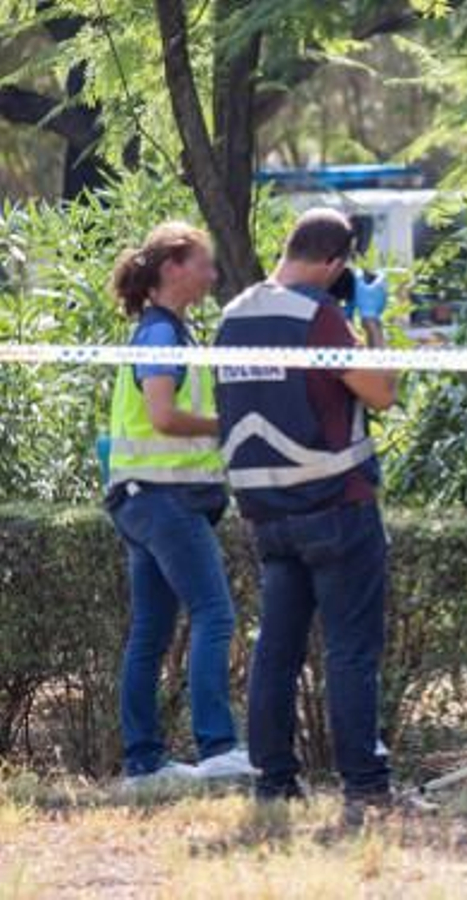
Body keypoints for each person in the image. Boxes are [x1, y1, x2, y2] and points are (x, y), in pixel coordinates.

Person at [213, 208, 402, 819]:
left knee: (277, 650)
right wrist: (370, 320)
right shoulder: (318, 317)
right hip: (335, 504)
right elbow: (382, 393)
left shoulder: (233, 314)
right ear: (335, 264)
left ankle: (273, 784)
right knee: (349, 653)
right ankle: (365, 787)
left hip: (265, 513)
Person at [105, 223, 255, 787]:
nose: (212, 275)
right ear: (172, 267)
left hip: (143, 498)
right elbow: (164, 417)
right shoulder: (160, 337)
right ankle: (218, 748)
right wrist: (231, 423)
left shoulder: (165, 332)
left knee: (151, 631)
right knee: (215, 615)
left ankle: (144, 764)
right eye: (204, 265)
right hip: (162, 500)